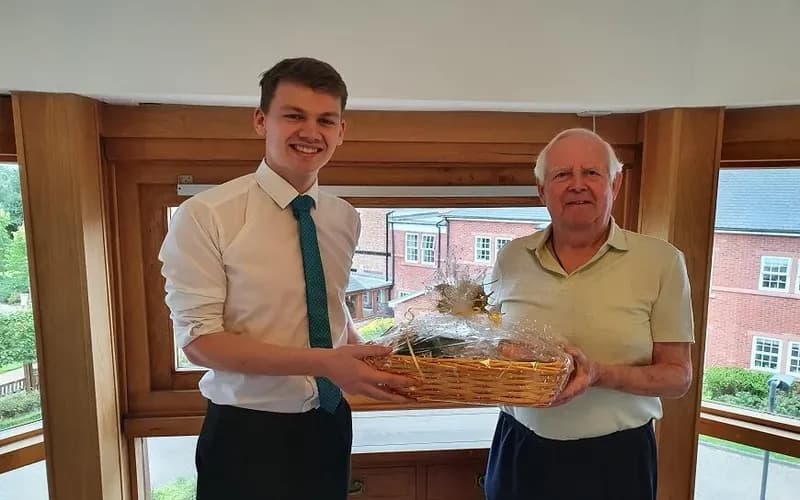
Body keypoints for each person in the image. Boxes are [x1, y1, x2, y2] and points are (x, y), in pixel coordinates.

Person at [159, 57, 413, 500]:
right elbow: (200, 342)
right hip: (245, 434)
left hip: (330, 423)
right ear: (261, 121)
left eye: (325, 120)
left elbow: (329, 307)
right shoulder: (205, 216)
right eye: (294, 116)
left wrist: (363, 355)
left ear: (341, 131)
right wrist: (325, 362)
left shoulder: (344, 218)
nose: (310, 132)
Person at [484, 128, 695, 500]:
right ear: (541, 190)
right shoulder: (510, 258)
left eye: (592, 173)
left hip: (616, 460)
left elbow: (677, 378)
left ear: (616, 184)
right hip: (519, 448)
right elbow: (490, 346)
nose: (577, 185)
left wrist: (599, 374)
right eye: (562, 174)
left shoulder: (662, 262)